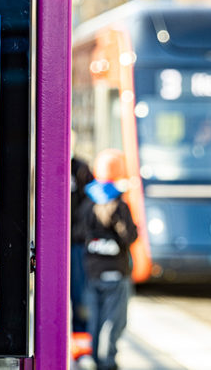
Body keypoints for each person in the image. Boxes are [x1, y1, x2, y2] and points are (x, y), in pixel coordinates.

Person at [81, 149, 138, 370]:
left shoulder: (87, 204)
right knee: (113, 320)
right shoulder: (119, 206)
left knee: (95, 318)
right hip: (116, 272)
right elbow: (129, 236)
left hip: (92, 271)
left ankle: (96, 358)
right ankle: (108, 361)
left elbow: (78, 234)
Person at [70, 132, 96, 357]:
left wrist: (80, 232)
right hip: (50, 246)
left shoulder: (81, 168)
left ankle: (81, 349)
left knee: (79, 294)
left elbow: (91, 202)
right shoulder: (41, 164)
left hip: (77, 244)